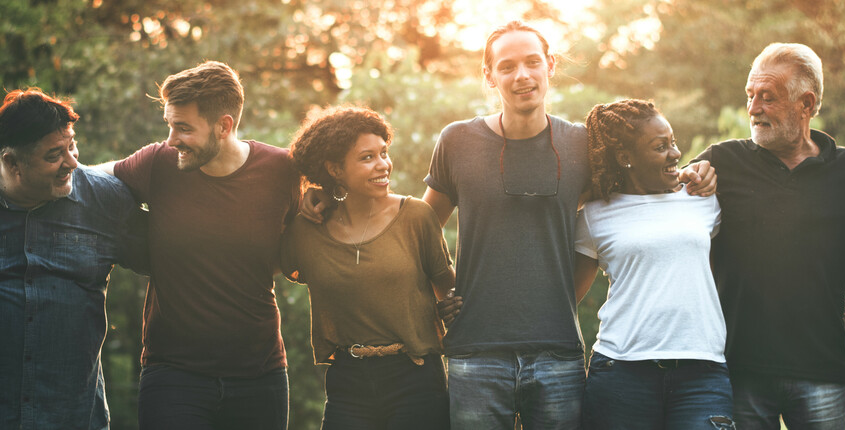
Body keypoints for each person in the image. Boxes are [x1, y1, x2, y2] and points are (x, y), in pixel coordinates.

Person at [299, 20, 716, 429]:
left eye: (533, 62)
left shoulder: (581, 146)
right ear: (488, 74)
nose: (522, 76)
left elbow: (635, 193)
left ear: (549, 66)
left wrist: (695, 173)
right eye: (507, 66)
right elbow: (414, 230)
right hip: (475, 354)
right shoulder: (457, 141)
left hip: (559, 356)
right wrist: (329, 194)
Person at [692, 43, 845, 429]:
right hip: (738, 368)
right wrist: (691, 178)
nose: (753, 108)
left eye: (767, 97)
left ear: (806, 104)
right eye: (750, 96)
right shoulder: (723, 162)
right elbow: (663, 202)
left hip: (821, 369)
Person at [98, 61, 299, 429]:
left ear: (224, 126)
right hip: (174, 375)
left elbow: (299, 239)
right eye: (170, 125)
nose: (172, 139)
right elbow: (88, 181)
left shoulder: (281, 170)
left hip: (260, 374)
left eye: (184, 128)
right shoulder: (159, 163)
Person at [281, 106, 455, 429]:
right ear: (334, 169)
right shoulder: (306, 231)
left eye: (384, 153)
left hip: (415, 376)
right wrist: (308, 194)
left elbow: (448, 288)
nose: (383, 165)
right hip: (348, 381)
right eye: (367, 158)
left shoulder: (416, 217)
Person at [574, 99, 734, 430]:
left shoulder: (703, 199)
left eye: (673, 142)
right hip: (621, 372)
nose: (675, 153)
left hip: (702, 373)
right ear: (625, 158)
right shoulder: (594, 214)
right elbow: (567, 298)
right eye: (660, 147)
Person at [0, 89, 147, 429]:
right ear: (11, 162)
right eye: (54, 155)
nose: (72, 162)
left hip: (74, 417)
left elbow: (176, 258)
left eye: (72, 145)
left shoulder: (104, 201)